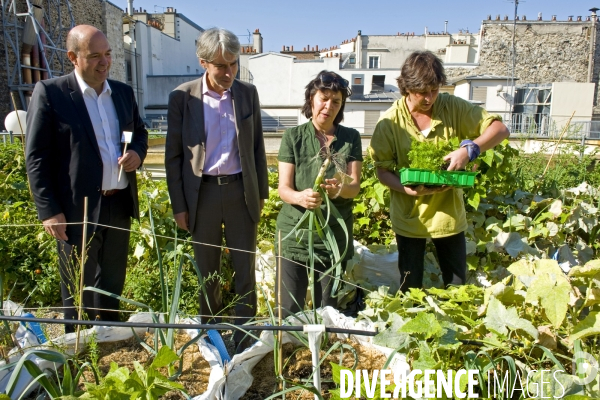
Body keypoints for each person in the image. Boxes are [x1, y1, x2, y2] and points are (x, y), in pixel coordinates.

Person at [25, 25, 148, 331]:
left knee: (112, 284)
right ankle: (77, 355)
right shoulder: (52, 94)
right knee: (77, 289)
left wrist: (136, 153)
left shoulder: (122, 92)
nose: (104, 62)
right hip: (75, 210)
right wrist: (49, 211)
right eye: (95, 56)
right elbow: (36, 157)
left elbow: (140, 133)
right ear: (73, 57)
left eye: (107, 54)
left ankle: (110, 343)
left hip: (118, 204)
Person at [370, 50, 509, 292]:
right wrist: (407, 190)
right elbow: (382, 171)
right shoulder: (389, 122)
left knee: (456, 289)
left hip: (448, 215)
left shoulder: (452, 107)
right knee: (410, 288)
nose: (429, 97)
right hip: (408, 216)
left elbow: (500, 129)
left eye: (434, 90)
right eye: (422, 92)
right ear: (406, 88)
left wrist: (470, 149)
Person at [165, 28, 268, 352]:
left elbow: (257, 149)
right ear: (203, 62)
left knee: (244, 272)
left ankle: (245, 340)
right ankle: (209, 341)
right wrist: (179, 205)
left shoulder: (247, 93)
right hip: (202, 197)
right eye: (221, 66)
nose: (228, 73)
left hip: (240, 193)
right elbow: (174, 157)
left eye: (233, 65)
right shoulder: (183, 97)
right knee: (207, 273)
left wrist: (260, 196)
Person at [276, 70, 362, 318]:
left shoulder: (350, 138)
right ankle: (289, 354)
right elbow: (284, 189)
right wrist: (300, 197)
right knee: (289, 309)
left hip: (333, 236)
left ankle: (321, 354)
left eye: (336, 101)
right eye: (324, 98)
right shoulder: (293, 137)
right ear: (311, 99)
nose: (329, 106)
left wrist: (339, 190)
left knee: (327, 310)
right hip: (295, 234)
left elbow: (354, 186)